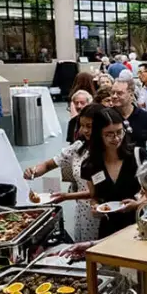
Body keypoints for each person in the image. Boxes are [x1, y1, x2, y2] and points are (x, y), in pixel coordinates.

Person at [24, 103, 102, 241]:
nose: (85, 130)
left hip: (101, 210)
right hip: (83, 211)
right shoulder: (78, 147)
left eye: (89, 126)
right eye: (82, 126)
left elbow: (96, 192)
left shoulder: (107, 151)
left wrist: (66, 196)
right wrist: (34, 171)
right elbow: (49, 165)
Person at [82, 108, 147, 238]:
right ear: (98, 135)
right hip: (108, 228)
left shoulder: (138, 155)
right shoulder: (90, 165)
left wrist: (138, 203)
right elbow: (94, 196)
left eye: (119, 132)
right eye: (109, 134)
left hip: (138, 224)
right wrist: (95, 207)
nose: (116, 138)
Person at [111, 79, 147, 151]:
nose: (114, 96)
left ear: (131, 95)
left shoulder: (145, 117)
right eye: (112, 93)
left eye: (119, 93)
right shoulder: (106, 115)